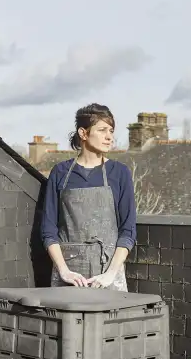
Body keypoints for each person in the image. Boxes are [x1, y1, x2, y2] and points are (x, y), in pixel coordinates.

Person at [40, 103, 136, 291]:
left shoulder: (120, 173)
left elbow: (128, 230)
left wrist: (111, 274)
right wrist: (64, 271)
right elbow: (48, 230)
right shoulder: (60, 173)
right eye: (102, 130)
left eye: (111, 130)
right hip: (69, 276)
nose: (109, 137)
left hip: (108, 275)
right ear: (83, 133)